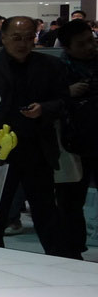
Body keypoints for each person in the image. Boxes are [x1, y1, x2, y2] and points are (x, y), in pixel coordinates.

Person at [0, 15, 81, 258]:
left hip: (37, 148)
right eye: (16, 38)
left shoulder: (51, 66)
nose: (23, 43)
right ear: (3, 38)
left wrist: (44, 109)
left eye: (29, 38)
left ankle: (58, 261)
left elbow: (64, 102)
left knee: (46, 212)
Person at [55, 20, 98, 253]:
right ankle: (72, 251)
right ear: (67, 47)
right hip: (72, 145)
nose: (90, 47)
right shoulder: (58, 71)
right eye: (81, 44)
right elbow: (46, 103)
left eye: (91, 40)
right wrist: (66, 93)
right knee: (71, 202)